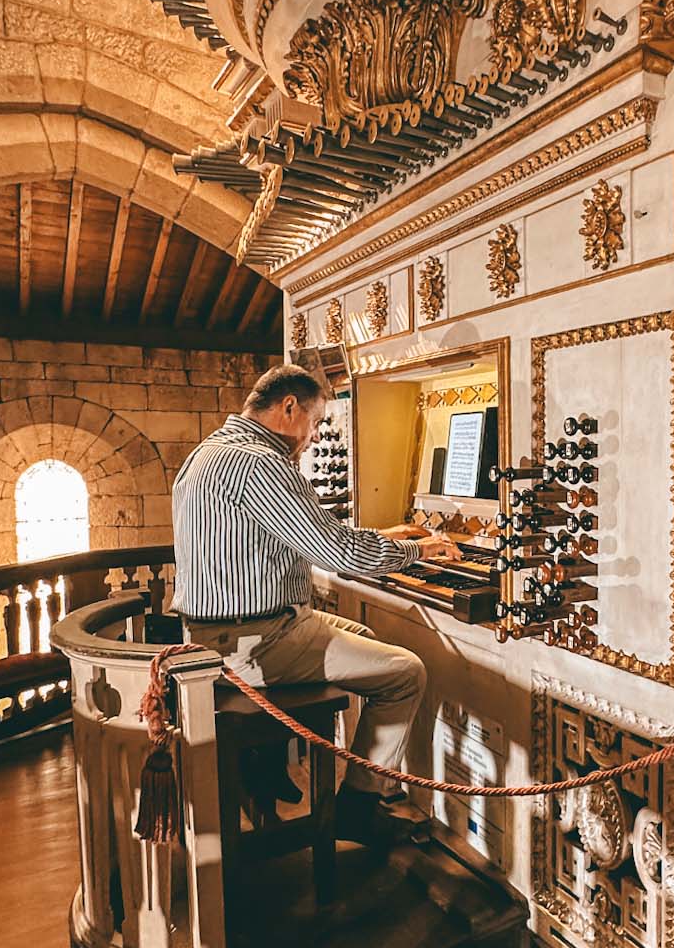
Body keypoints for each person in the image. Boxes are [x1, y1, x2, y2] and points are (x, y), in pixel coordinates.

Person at [170, 362, 461, 845]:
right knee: (407, 672)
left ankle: (279, 764)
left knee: (364, 637)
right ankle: (360, 805)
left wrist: (386, 534)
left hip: (216, 633)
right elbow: (339, 554)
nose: (314, 435)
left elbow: (314, 535)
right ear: (289, 407)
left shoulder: (208, 453)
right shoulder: (260, 462)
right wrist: (419, 548)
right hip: (254, 643)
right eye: (317, 421)